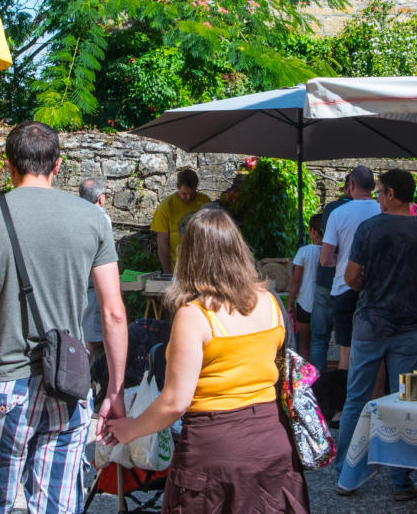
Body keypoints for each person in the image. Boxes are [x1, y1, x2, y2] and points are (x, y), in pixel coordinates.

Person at [0, 121, 128, 514]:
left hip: (1, 386)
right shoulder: (93, 220)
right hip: (68, 385)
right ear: (58, 165)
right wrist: (114, 392)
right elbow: (113, 314)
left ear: (8, 164)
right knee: (56, 506)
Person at [105, 206, 309, 514]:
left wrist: (130, 430)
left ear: (189, 257)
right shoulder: (270, 301)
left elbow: (175, 401)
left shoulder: (195, 315)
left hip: (215, 449)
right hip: (272, 440)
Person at [335, 168, 417, 502]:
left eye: (380, 192)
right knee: (405, 403)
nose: (378, 198)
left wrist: (363, 287)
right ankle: (401, 480)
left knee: (356, 400)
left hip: (371, 322)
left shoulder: (369, 229)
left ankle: (346, 473)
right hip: (407, 325)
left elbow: (352, 275)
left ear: (389, 194)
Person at [320, 166, 380, 369]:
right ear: (373, 186)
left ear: (351, 185)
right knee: (376, 349)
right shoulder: (384, 210)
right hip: (377, 287)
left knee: (346, 350)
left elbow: (325, 259)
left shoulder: (338, 213)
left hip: (344, 285)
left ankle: (345, 397)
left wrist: (344, 260)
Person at [310, 175, 351, 372]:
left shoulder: (332, 209)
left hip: (327, 277)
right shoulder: (373, 209)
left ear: (346, 187)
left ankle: (317, 385)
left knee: (319, 338)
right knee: (348, 340)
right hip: (351, 280)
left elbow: (326, 244)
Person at [151, 167, 210, 272]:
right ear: (177, 187)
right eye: (184, 193)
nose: (188, 197)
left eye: (192, 194)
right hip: (178, 269)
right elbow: (162, 244)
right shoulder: (166, 206)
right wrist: (167, 272)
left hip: (203, 267)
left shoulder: (205, 202)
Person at [79, 177, 112, 361]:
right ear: (100, 198)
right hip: (94, 288)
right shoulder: (101, 218)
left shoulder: (73, 215)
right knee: (93, 341)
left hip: (77, 287)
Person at [288, 214, 323, 361]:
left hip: (304, 303)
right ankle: (321, 377)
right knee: (320, 343)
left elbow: (296, 280)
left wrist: (290, 303)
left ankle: (305, 380)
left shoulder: (304, 251)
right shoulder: (332, 251)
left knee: (303, 345)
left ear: (313, 231)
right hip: (324, 303)